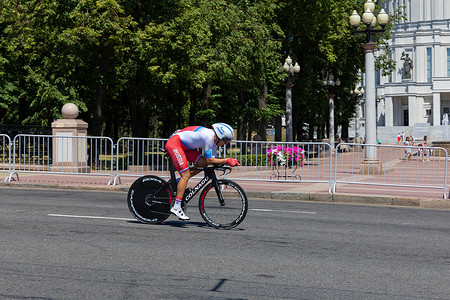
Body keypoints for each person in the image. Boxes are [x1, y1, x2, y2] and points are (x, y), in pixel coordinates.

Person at [164, 123, 240, 220]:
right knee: (186, 175)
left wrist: (227, 161)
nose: (226, 144)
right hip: (175, 143)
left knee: (203, 163)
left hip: (186, 148)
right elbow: (210, 160)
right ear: (220, 136)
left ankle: (179, 183)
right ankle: (176, 207)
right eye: (226, 141)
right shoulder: (209, 137)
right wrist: (227, 160)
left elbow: (211, 159)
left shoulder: (215, 141)